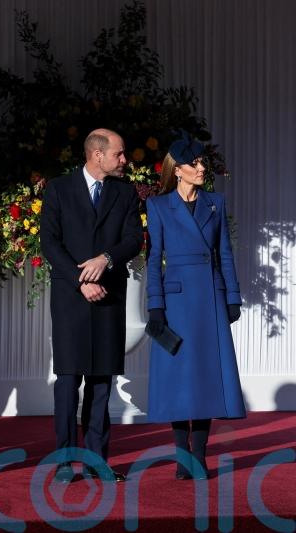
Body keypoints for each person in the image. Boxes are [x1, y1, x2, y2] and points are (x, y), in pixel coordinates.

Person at [40, 128, 144, 483]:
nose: (124, 160)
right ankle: (65, 462)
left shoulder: (125, 192)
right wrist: (81, 280)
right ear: (97, 155)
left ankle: (98, 460)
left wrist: (106, 258)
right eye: (119, 153)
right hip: (71, 297)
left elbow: (134, 239)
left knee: (102, 381)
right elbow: (50, 243)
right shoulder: (58, 189)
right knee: (68, 381)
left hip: (110, 297)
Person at [145, 132, 246, 480]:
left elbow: (226, 255)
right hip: (175, 301)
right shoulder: (157, 206)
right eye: (195, 163)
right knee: (178, 378)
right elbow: (153, 258)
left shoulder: (215, 203)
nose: (202, 168)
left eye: (202, 162)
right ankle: (180, 456)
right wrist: (154, 306)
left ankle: (199, 456)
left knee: (204, 376)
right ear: (178, 170)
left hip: (210, 298)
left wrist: (232, 296)